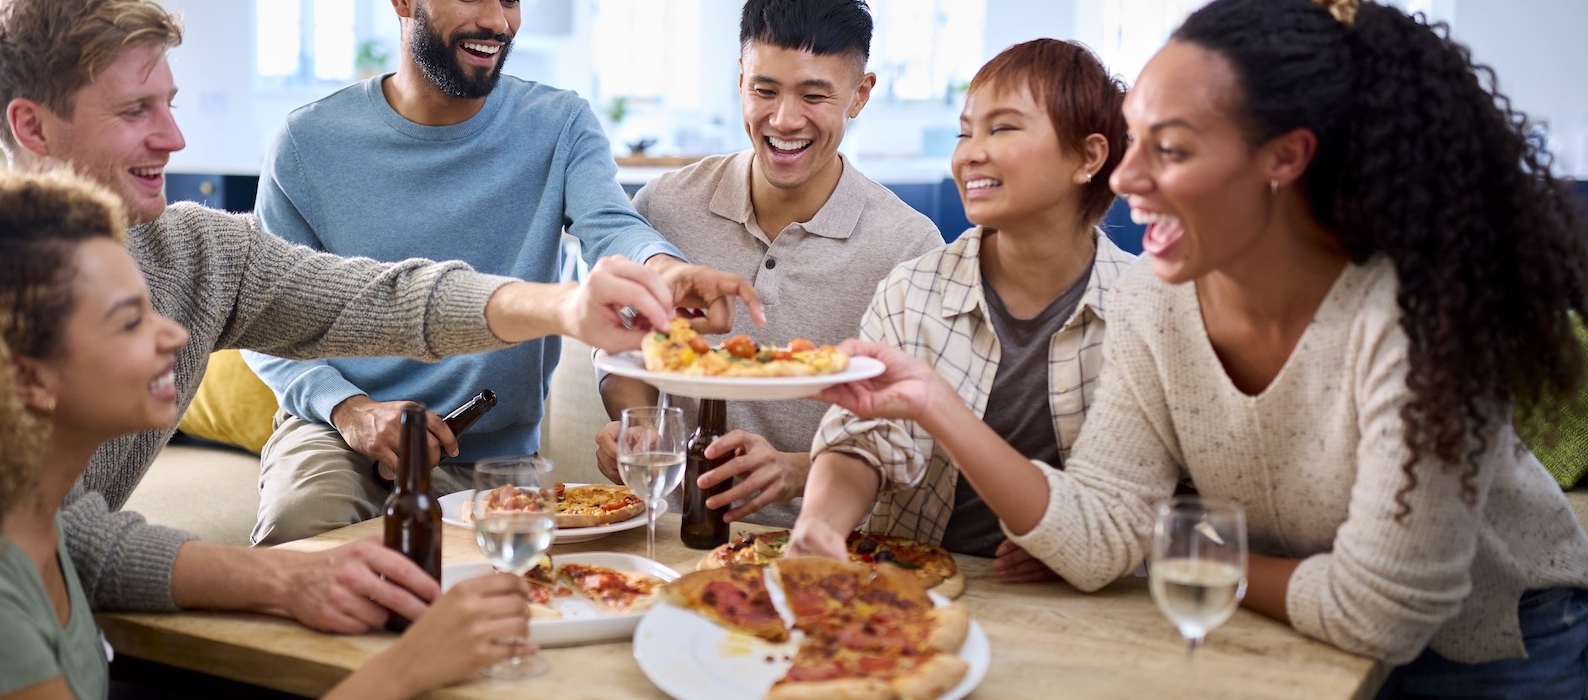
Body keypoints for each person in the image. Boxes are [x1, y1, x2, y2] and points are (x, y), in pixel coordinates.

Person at [0, 0, 759, 681]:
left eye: (169, 101)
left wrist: (558, 308)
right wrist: (286, 576)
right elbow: (43, 535)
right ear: (31, 125)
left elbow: (374, 297)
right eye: (138, 110)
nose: (176, 136)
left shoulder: (188, 248)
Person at [794, 0, 1588, 694]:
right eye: (1133, 141)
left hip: (1496, 650)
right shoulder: (1159, 300)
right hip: (1289, 629)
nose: (1128, 178)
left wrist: (1179, 551)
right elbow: (1104, 532)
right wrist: (931, 401)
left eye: (1168, 149)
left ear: (1286, 157)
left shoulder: (1414, 315)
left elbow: (1379, 611)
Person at [0, 171, 535, 700]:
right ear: (29, 379)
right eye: (129, 320)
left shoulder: (25, 522)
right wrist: (409, 672)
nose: (176, 334)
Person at [240, 0, 762, 545]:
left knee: (517, 598)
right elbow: (263, 315)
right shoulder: (309, 141)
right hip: (342, 437)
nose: (497, 20)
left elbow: (611, 226)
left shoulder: (559, 123)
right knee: (296, 536)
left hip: (492, 455)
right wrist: (350, 409)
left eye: (511, 0)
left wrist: (664, 271)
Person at [591, 0, 942, 529]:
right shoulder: (662, 207)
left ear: (860, 95)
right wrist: (637, 426)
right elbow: (620, 348)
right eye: (765, 90)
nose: (784, 120)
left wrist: (800, 471)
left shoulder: (910, 245)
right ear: (739, 80)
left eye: (814, 95)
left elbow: (918, 430)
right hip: (672, 531)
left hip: (835, 545)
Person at [789, 38, 1131, 574]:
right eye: (965, 132)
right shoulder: (912, 289)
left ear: (1088, 156)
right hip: (908, 585)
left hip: (1083, 608)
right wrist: (821, 523)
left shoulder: (1145, 310)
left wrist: (1067, 538)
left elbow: (1148, 506)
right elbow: (865, 437)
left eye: (1003, 128)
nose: (970, 153)